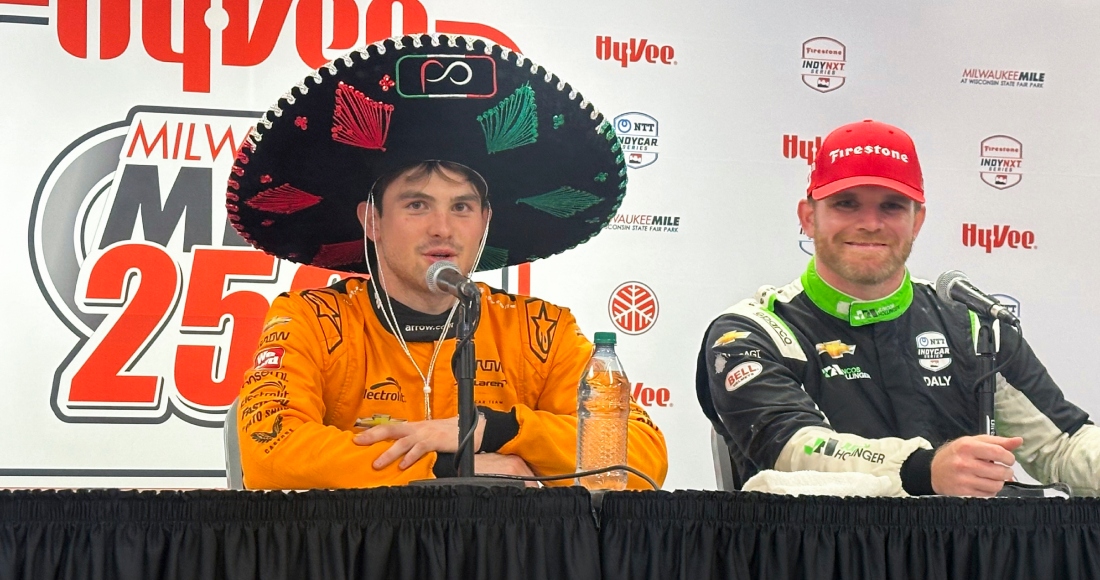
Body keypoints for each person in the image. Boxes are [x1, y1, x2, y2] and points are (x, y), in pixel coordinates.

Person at [228, 35, 668, 489]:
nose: (442, 228)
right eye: (417, 205)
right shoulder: (311, 320)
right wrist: (451, 469)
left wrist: (495, 430)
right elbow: (268, 454)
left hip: (502, 540)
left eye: (461, 207)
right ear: (373, 221)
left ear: (485, 221)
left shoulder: (542, 331)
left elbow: (641, 459)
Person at [696, 119, 1100, 497]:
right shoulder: (751, 332)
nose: (870, 223)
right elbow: (791, 449)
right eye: (846, 203)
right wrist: (924, 470)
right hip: (822, 544)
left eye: (891, 206)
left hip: (967, 545)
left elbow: (1062, 445)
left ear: (917, 221)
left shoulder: (975, 325)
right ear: (809, 218)